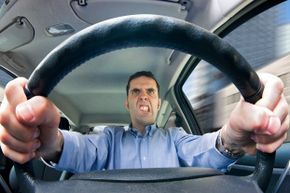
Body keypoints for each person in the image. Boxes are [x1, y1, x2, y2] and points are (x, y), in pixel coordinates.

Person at [0, 71, 288, 173]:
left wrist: (232, 138)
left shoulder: (175, 139)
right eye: (135, 91)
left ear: (159, 102)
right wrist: (51, 143)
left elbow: (205, 147)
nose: (143, 97)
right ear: (127, 103)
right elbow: (81, 148)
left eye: (150, 91)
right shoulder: (109, 139)